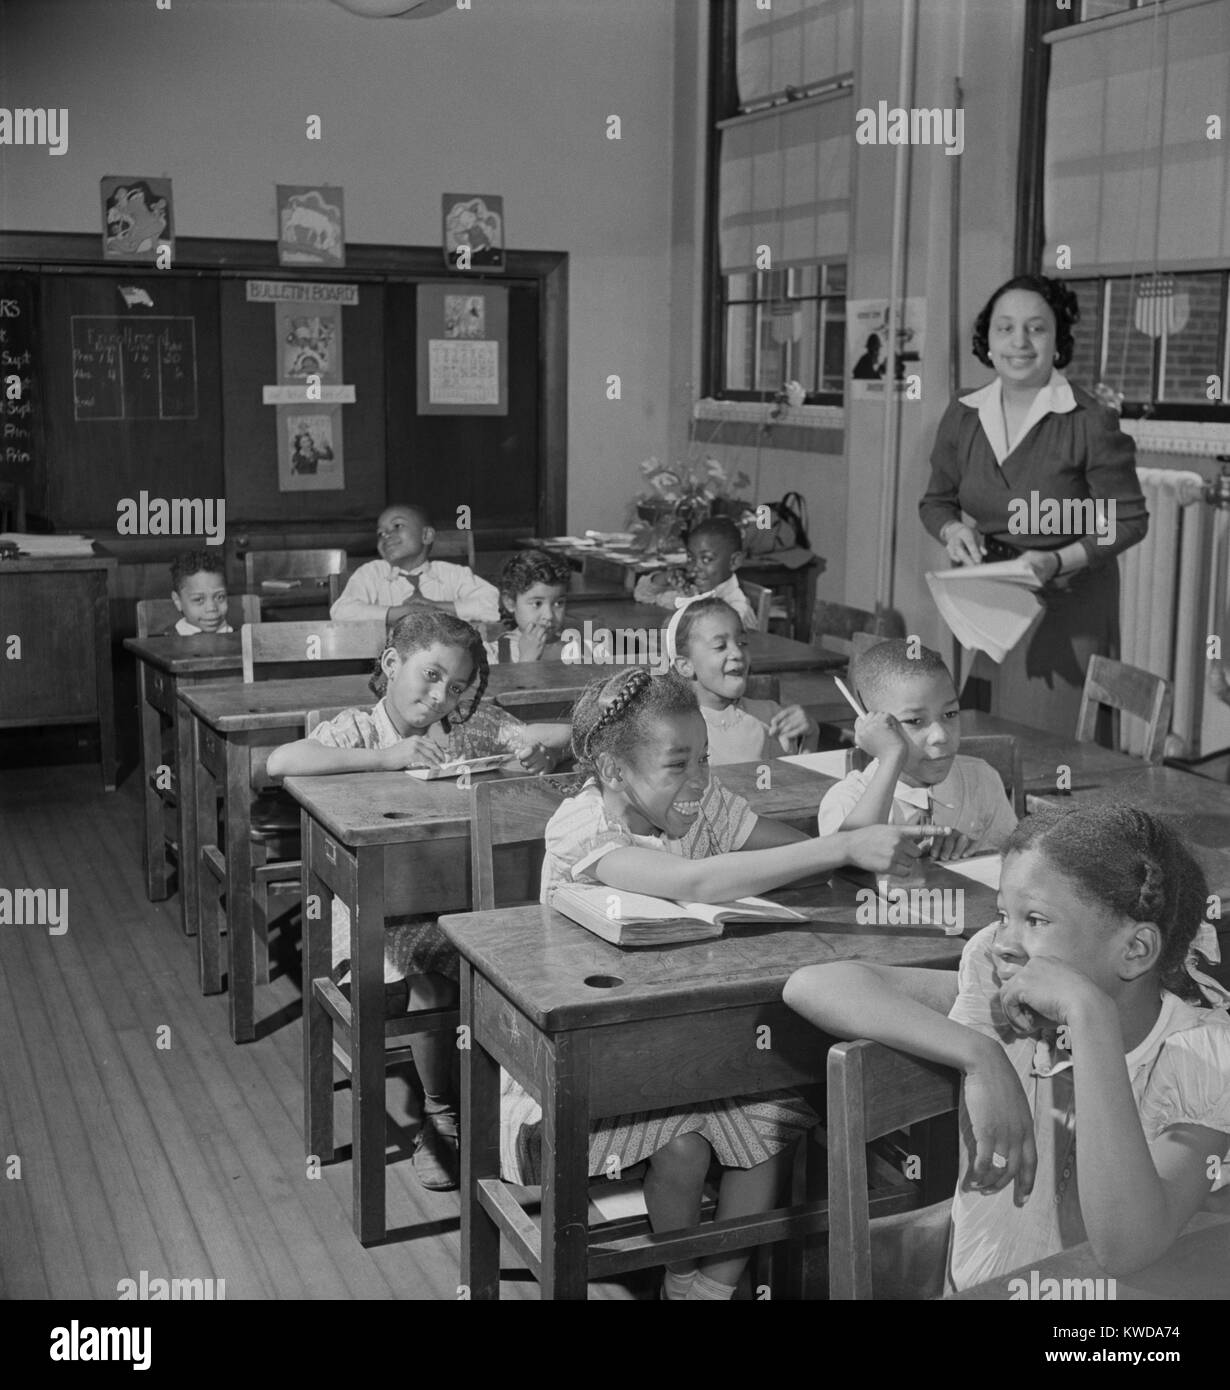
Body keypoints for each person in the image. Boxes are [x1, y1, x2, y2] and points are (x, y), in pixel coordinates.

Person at [501, 667, 931, 1299]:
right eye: (680, 765)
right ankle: (681, 1271)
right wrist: (840, 852)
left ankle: (710, 1288)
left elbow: (838, 850)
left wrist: (888, 760)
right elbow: (700, 885)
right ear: (615, 772)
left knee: (770, 1125)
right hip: (597, 1060)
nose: (701, 781)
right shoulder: (582, 828)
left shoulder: (707, 807)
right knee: (682, 1148)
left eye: (706, 759)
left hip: (703, 1044)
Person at [785, 803, 1230, 1292]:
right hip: (984, 1286)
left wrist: (1089, 1016)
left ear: (1136, 949)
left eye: (1035, 919)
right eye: (1003, 915)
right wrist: (982, 1057)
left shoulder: (1199, 1057)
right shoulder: (1002, 1002)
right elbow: (812, 984)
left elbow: (1125, 1249)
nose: (1003, 942)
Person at [266, 610, 559, 1192]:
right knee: (437, 979)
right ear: (391, 663)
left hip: (465, 898)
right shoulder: (358, 730)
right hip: (372, 915)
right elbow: (280, 763)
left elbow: (541, 741)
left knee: (529, 958)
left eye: (454, 687)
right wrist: (387, 757)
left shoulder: (468, 727)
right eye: (429, 676)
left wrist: (534, 758)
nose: (438, 697)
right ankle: (440, 1112)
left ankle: (517, 1106)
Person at [919, 274, 1148, 737]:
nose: (1019, 342)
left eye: (1036, 328)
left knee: (1054, 751)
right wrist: (953, 531)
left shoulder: (1089, 420)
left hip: (1069, 602)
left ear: (1058, 340)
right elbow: (936, 501)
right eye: (1005, 328)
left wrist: (1059, 559)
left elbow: (1125, 520)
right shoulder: (964, 413)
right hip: (995, 601)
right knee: (984, 741)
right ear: (988, 340)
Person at [817, 638, 1017, 858]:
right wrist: (892, 756)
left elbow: (1014, 862)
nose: (940, 736)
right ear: (871, 725)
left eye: (950, 714)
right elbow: (849, 859)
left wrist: (971, 851)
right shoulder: (847, 801)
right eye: (914, 721)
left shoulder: (981, 780)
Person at [669, 596, 816, 763]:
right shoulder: (674, 731)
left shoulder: (770, 717)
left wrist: (810, 736)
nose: (737, 654)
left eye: (742, 643)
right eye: (720, 646)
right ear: (685, 666)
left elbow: (795, 781)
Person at [329, 503, 500, 626]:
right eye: (380, 533)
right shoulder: (372, 573)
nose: (386, 535)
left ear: (426, 535)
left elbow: (492, 602)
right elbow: (341, 611)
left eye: (397, 526)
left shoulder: (453, 574)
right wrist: (402, 613)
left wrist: (434, 607)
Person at [634, 516, 758, 631]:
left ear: (734, 561)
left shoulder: (737, 611)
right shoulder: (694, 592)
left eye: (707, 559)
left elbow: (707, 638)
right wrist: (666, 577)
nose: (695, 567)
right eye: (691, 558)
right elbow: (642, 594)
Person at [166, 549, 231, 635]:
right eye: (198, 599)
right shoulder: (168, 643)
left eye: (220, 597)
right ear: (178, 601)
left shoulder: (240, 638)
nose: (211, 608)